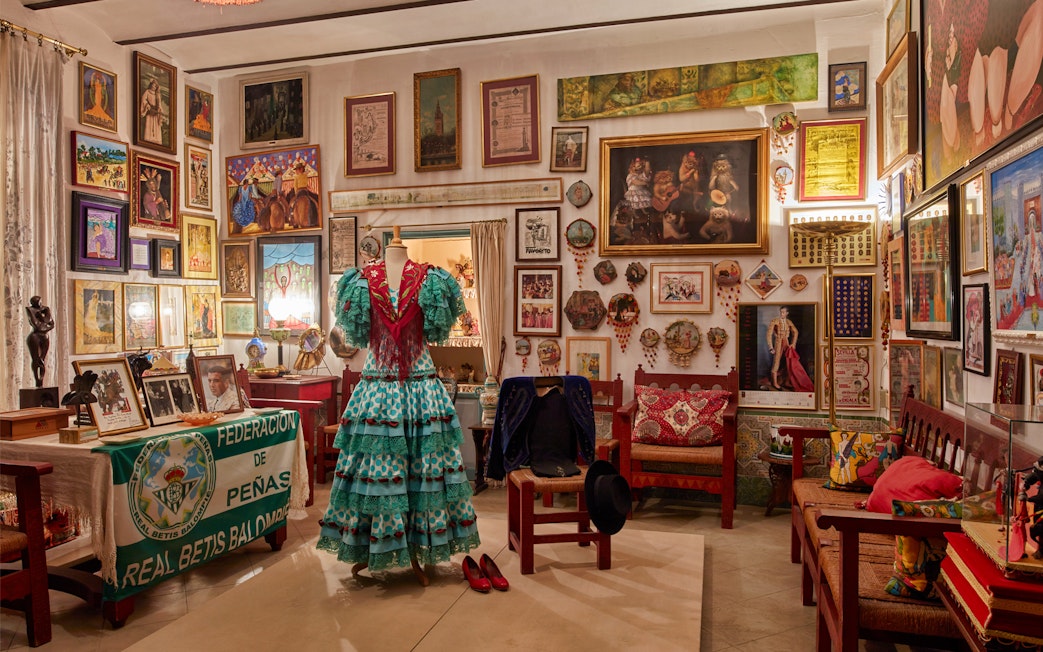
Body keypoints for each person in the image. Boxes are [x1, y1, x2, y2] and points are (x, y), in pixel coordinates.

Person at [317, 226, 480, 586]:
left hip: (417, 389)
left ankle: (416, 546)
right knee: (380, 473)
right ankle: (378, 545)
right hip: (381, 390)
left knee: (423, 474)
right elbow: (359, 336)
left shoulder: (432, 280)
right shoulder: (359, 282)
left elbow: (435, 332)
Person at [766, 306, 814, 392]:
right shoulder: (775, 321)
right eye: (781, 312)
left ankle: (787, 381)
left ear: (787, 313)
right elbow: (769, 334)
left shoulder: (788, 322)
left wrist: (793, 343)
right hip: (778, 342)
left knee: (788, 361)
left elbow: (795, 332)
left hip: (786, 343)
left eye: (783, 312)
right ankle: (774, 383)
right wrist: (770, 347)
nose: (781, 314)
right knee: (776, 361)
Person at [25, 296, 54, 388]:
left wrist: (44, 315)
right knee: (36, 360)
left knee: (42, 359)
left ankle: (40, 381)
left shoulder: (46, 309)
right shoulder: (30, 309)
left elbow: (51, 324)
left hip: (45, 337)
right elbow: (36, 325)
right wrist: (44, 324)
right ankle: (38, 381)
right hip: (34, 337)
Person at [139, 78, 164, 145]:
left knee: (156, 125)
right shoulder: (147, 92)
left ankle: (156, 138)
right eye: (153, 85)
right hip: (150, 110)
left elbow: (159, 104)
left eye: (155, 86)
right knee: (149, 124)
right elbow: (143, 99)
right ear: (151, 85)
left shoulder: (157, 94)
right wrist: (147, 105)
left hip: (156, 112)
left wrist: (159, 109)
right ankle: (148, 137)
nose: (154, 87)